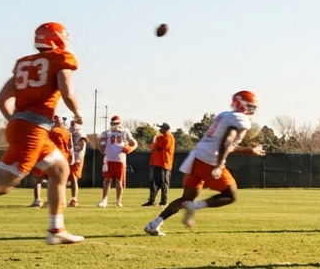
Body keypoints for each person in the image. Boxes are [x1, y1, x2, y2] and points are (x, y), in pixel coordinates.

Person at [0, 23, 84, 243]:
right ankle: (55, 230)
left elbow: (1, 100)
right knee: (2, 184)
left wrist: (16, 121)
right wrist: (78, 113)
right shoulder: (61, 59)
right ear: (58, 39)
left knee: (59, 169)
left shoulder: (24, 64)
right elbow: (67, 92)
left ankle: (56, 230)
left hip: (23, 125)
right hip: (34, 129)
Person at [144, 91, 265, 235]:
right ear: (241, 104)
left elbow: (225, 144)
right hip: (209, 161)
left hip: (196, 158)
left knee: (186, 198)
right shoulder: (239, 120)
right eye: (250, 106)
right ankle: (194, 207)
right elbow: (226, 142)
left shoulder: (224, 115)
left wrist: (248, 150)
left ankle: (154, 224)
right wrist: (219, 164)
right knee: (230, 195)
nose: (252, 110)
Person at [31, 118, 73, 207]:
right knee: (61, 180)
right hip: (64, 157)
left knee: (45, 179)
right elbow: (70, 146)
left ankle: (46, 200)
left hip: (52, 156)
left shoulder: (51, 131)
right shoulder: (67, 132)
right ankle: (62, 201)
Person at [98, 115, 137, 207]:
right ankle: (104, 200)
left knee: (119, 181)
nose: (114, 125)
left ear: (120, 123)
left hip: (120, 159)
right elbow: (99, 139)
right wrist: (102, 148)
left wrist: (130, 148)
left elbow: (135, 143)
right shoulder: (107, 133)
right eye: (112, 123)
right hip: (108, 159)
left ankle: (118, 200)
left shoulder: (125, 132)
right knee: (107, 180)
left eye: (116, 123)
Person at [145, 123, 175, 206]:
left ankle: (163, 201)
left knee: (164, 183)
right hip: (156, 162)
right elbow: (154, 146)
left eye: (162, 128)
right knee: (154, 182)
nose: (160, 130)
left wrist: (154, 144)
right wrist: (154, 145)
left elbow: (158, 147)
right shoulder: (161, 137)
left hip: (163, 163)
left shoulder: (167, 137)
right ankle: (152, 200)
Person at [67, 118, 86, 206]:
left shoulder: (80, 133)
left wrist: (76, 159)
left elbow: (81, 146)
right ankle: (60, 198)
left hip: (75, 158)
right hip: (68, 157)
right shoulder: (68, 131)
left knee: (74, 177)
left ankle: (74, 199)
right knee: (62, 178)